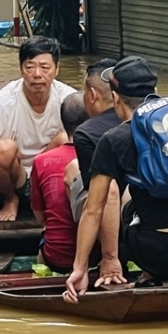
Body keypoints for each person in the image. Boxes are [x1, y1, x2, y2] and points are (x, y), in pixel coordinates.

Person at [64, 56, 168, 302]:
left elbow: (93, 210)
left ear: (114, 97)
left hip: (153, 253)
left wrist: (79, 269)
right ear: (155, 92)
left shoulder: (113, 140)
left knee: (129, 200)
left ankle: (150, 275)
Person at [0, 36, 78, 221]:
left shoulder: (68, 99)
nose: (37, 74)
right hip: (9, 181)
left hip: (46, 177)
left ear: (57, 69)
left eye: (45, 67)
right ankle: (11, 199)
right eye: (30, 67)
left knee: (67, 139)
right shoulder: (5, 100)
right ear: (21, 69)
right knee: (3, 149)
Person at [29, 94, 87, 272]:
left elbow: (40, 217)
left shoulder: (40, 161)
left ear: (63, 123)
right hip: (96, 257)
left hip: (57, 257)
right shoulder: (105, 153)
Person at [66, 57, 121, 226]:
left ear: (92, 95)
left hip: (116, 216)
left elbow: (97, 201)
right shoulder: (144, 120)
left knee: (72, 170)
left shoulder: (85, 133)